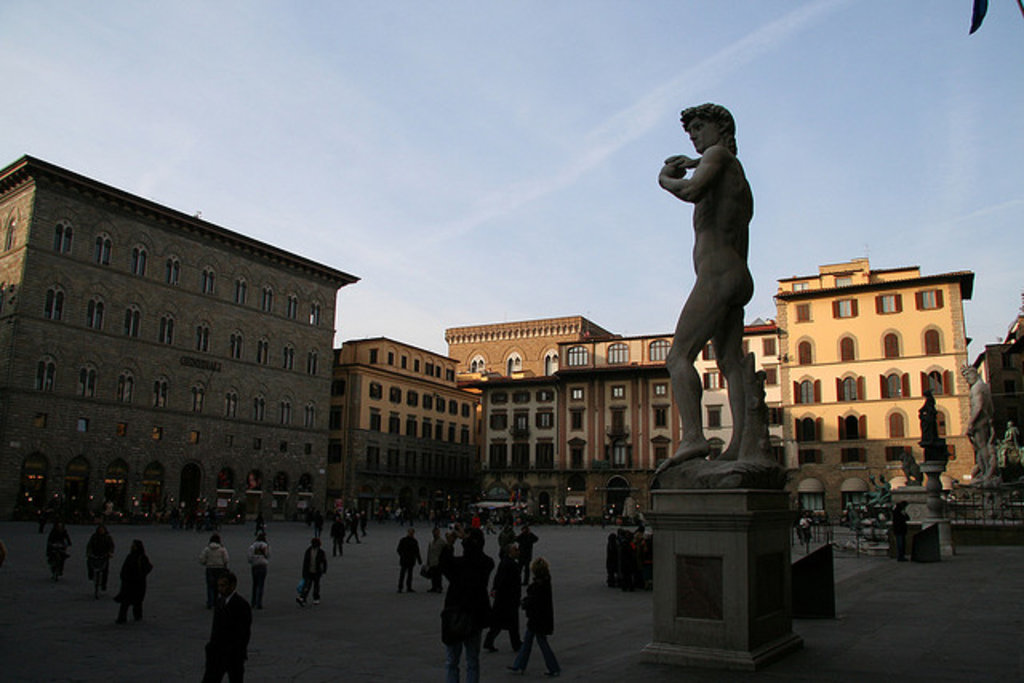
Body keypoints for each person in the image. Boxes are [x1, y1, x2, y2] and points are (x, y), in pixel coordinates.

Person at [655, 103, 754, 471]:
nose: (694, 135)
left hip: (715, 274)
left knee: (678, 356)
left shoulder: (717, 157)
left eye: (698, 127)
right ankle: (740, 446)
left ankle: (693, 437)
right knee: (730, 361)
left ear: (720, 128)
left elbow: (693, 191)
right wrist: (694, 163)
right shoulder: (733, 171)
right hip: (737, 274)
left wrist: (665, 179)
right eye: (690, 130)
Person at [441, 528, 494, 683]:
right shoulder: (486, 563)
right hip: (475, 616)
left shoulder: (458, 565)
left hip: (454, 615)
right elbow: (479, 556)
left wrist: (451, 544)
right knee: (472, 661)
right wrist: (468, 539)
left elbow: (444, 564)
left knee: (452, 662)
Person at [508, 557, 560, 677]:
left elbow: (533, 602)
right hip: (540, 619)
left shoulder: (537, 586)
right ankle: (519, 665)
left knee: (540, 643)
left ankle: (553, 667)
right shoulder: (545, 582)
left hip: (537, 620)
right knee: (528, 642)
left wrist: (525, 603)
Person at [202, 571, 252, 683]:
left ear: (233, 585)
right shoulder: (220, 602)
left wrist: (239, 652)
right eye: (218, 585)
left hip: (233, 655)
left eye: (223, 585)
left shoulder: (241, 605)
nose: (220, 589)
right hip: (217, 653)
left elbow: (244, 633)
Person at [483, 543, 522, 654]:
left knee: (498, 623)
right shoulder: (510, 564)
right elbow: (504, 581)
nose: (518, 552)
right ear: (510, 552)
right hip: (507, 599)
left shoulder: (505, 562)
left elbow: (498, 578)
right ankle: (516, 644)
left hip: (502, 599)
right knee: (512, 623)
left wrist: (495, 589)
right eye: (516, 550)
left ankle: (489, 642)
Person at [965, 365, 998, 485]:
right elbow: (992, 408)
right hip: (986, 420)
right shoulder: (985, 387)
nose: (967, 380)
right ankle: (986, 472)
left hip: (980, 421)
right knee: (981, 447)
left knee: (982, 447)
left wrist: (971, 423)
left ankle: (987, 473)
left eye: (968, 376)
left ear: (974, 374)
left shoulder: (977, 388)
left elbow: (978, 406)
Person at [115, 539, 153, 623]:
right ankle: (122, 618)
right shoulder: (130, 556)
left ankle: (137, 617)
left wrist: (141, 574)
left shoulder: (142, 557)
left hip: (138, 583)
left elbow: (149, 567)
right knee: (126, 601)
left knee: (137, 601)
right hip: (129, 582)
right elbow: (124, 568)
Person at [199, 533, 230, 609]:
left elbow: (201, 559)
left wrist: (206, 562)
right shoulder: (222, 549)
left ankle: (210, 602)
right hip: (220, 568)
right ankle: (216, 602)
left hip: (210, 568)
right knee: (218, 586)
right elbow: (226, 559)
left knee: (210, 586)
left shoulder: (207, 549)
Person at [297, 537, 327, 606]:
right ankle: (303, 597)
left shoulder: (321, 552)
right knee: (307, 585)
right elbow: (305, 562)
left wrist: (324, 570)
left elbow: (324, 562)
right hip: (309, 571)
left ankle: (315, 598)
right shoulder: (308, 551)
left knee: (316, 585)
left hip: (317, 571)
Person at [86, 523, 115, 592]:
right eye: (100, 530)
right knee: (89, 562)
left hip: (104, 555)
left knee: (105, 570)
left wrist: (110, 552)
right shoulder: (94, 537)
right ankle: (91, 575)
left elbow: (111, 546)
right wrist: (89, 553)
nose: (101, 531)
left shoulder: (108, 537)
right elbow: (89, 545)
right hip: (95, 554)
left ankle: (103, 584)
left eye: (102, 530)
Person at [246, 532, 270, 609]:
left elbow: (249, 558)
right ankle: (259, 603)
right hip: (263, 566)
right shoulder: (265, 546)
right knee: (261, 585)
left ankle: (253, 602)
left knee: (255, 584)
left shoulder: (252, 546)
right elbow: (268, 555)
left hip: (255, 566)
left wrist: (253, 561)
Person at [396, 527, 422, 593]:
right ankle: (400, 587)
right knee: (403, 574)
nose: (411, 534)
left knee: (409, 574)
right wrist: (402, 555)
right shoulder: (404, 540)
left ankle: (408, 587)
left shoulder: (414, 541)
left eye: (412, 533)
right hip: (405, 559)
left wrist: (419, 559)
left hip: (410, 560)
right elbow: (399, 549)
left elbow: (417, 551)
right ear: (408, 533)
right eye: (410, 532)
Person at [426, 526, 447, 593]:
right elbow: (429, 551)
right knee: (433, 575)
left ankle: (439, 587)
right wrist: (428, 561)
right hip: (432, 561)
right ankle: (434, 587)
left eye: (437, 532)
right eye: (434, 532)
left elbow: (445, 551)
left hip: (439, 561)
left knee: (438, 575)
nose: (436, 533)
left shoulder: (442, 542)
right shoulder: (431, 542)